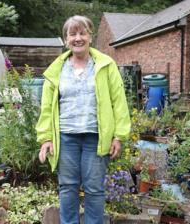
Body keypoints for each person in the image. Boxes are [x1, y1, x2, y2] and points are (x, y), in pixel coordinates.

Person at [36, 15, 130, 224]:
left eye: (82, 33)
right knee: (67, 187)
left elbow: (119, 101)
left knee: (94, 188)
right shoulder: (56, 70)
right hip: (66, 137)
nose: (78, 38)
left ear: (90, 36)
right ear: (66, 39)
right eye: (72, 34)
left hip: (96, 138)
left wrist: (119, 136)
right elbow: (45, 108)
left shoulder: (106, 65)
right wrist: (46, 138)